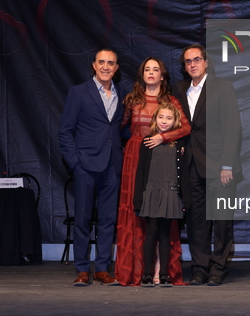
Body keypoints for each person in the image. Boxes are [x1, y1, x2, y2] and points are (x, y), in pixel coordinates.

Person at [115, 57, 191, 286]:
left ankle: (161, 269)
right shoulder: (132, 99)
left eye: (155, 69)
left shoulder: (170, 100)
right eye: (146, 69)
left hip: (162, 158)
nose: (150, 73)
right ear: (141, 74)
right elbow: (120, 127)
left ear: (162, 75)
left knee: (163, 219)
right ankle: (137, 270)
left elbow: (186, 127)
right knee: (136, 213)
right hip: (135, 158)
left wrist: (162, 137)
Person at [174, 43, 242, 286]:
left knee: (222, 221)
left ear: (206, 62)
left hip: (219, 167)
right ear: (184, 67)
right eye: (188, 61)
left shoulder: (222, 87)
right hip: (191, 166)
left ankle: (219, 268)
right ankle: (200, 268)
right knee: (196, 222)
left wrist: (227, 165)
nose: (192, 64)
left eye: (196, 59)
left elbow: (232, 128)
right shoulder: (180, 89)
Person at [59, 48, 126, 286]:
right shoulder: (78, 92)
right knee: (83, 220)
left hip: (112, 166)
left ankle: (102, 269)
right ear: (94, 66)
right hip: (85, 166)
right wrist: (75, 162)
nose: (106, 66)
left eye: (111, 63)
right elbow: (65, 131)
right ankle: (82, 270)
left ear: (116, 68)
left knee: (108, 220)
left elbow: (120, 130)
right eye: (102, 62)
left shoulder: (123, 94)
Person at [134, 103, 187, 288]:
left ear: (176, 121)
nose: (164, 121)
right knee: (151, 233)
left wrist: (183, 198)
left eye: (169, 118)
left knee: (165, 234)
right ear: (155, 119)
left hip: (171, 192)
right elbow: (141, 171)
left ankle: (164, 274)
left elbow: (184, 174)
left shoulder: (179, 144)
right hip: (151, 191)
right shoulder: (147, 141)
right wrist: (139, 199)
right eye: (161, 117)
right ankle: (147, 274)